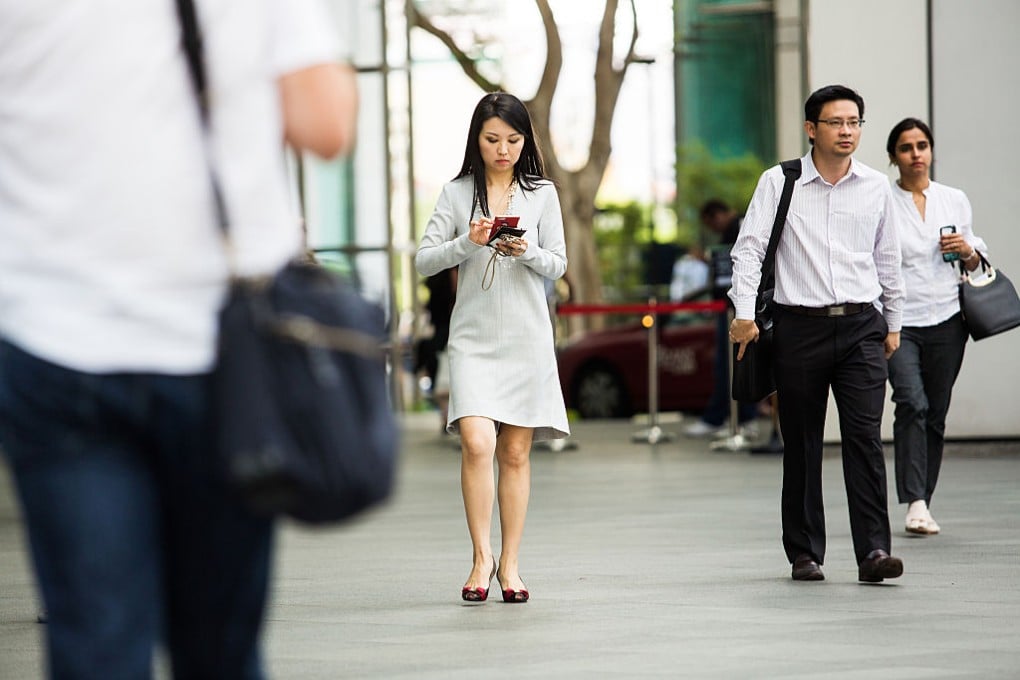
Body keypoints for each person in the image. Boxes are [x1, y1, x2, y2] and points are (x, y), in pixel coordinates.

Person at [0, 2, 357, 676]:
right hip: (220, 347)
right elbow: (325, 121)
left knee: (94, 642)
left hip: (53, 336)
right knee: (219, 651)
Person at [728, 85, 907, 583]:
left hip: (860, 328)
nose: (847, 131)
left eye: (854, 122)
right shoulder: (779, 182)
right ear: (812, 129)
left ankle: (874, 551)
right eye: (836, 122)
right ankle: (805, 552)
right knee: (803, 443)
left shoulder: (875, 187)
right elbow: (749, 250)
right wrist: (744, 314)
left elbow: (888, 259)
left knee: (865, 440)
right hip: (798, 328)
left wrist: (893, 323)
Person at [415, 92, 569, 603]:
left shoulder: (542, 192)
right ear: (476, 140)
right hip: (473, 339)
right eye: (492, 139)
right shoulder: (457, 192)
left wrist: (527, 251)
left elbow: (559, 265)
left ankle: (511, 565)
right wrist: (468, 242)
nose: (503, 149)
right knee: (478, 443)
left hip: (526, 338)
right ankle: (481, 558)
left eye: (513, 139)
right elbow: (423, 261)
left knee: (516, 451)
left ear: (525, 141)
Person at [885, 117, 988, 536]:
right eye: (906, 147)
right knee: (912, 403)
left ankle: (922, 500)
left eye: (922, 145)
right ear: (893, 156)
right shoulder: (883, 201)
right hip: (899, 321)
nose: (916, 154)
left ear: (931, 151)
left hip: (948, 320)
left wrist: (966, 249)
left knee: (937, 412)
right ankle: (915, 502)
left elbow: (975, 260)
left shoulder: (953, 199)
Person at [683, 200, 758, 438]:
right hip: (735, 307)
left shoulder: (740, 228)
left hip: (736, 308)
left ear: (717, 216)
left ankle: (735, 417)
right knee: (735, 363)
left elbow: (737, 266)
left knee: (733, 363)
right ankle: (740, 417)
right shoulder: (742, 226)